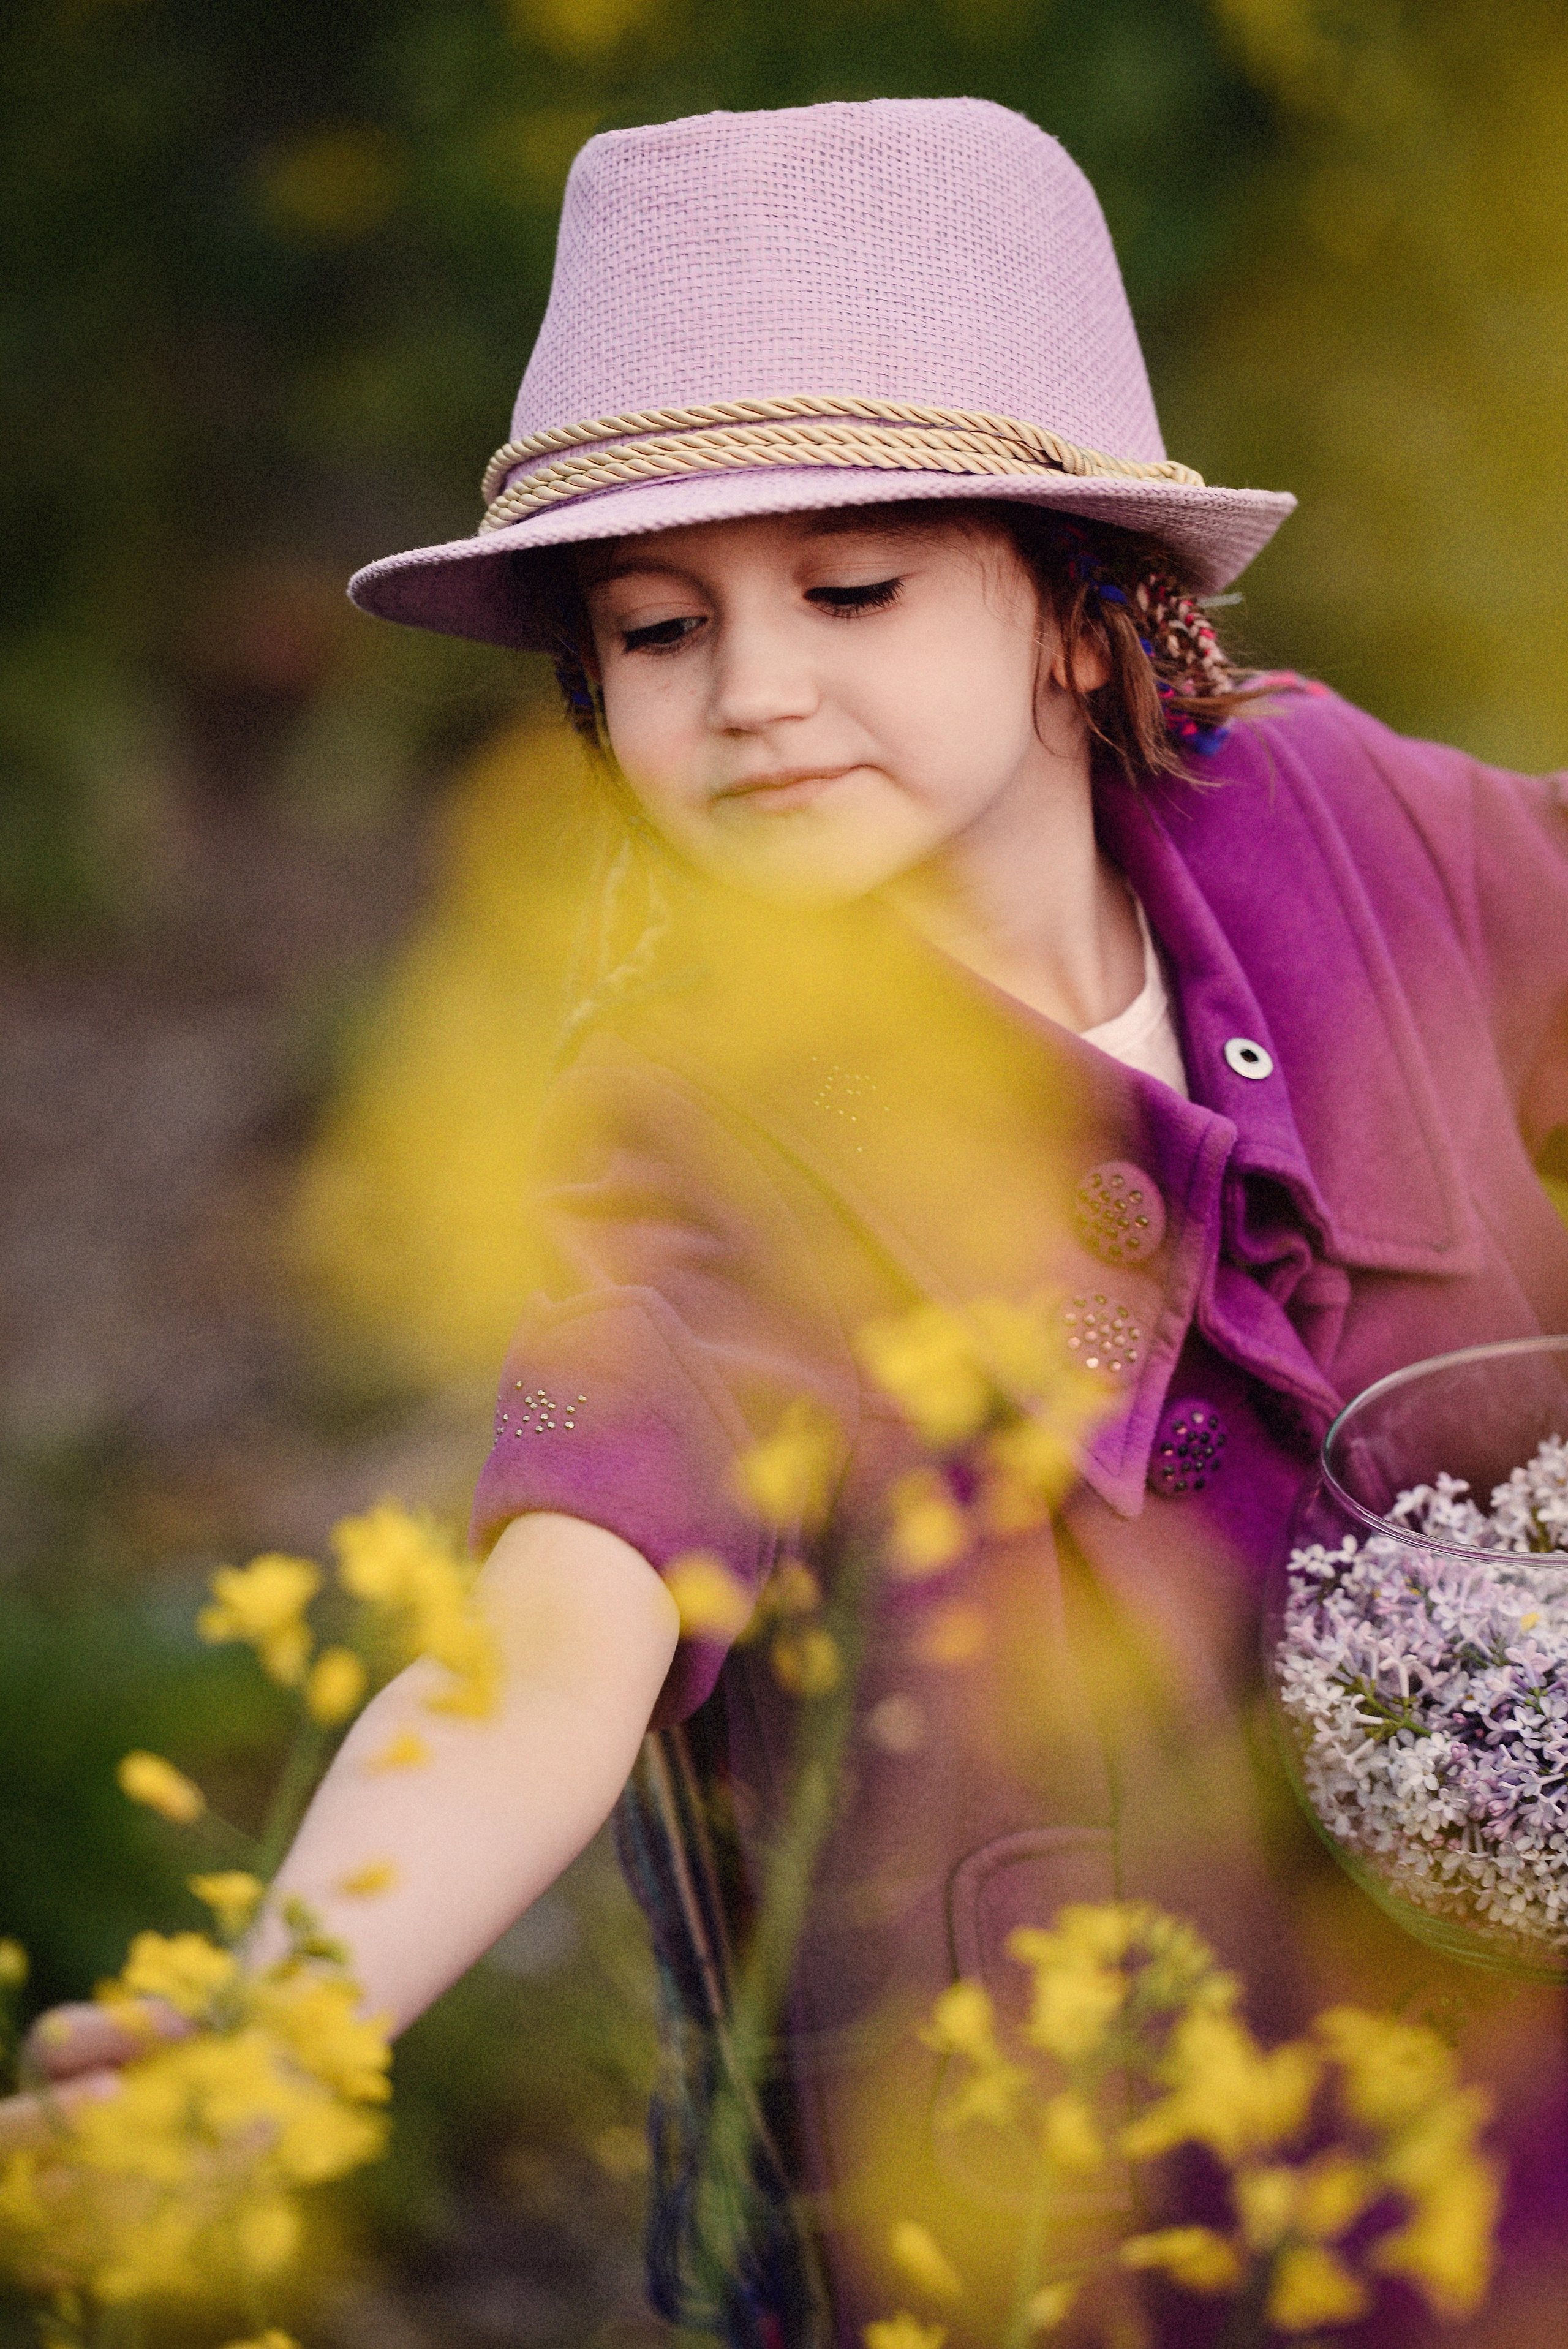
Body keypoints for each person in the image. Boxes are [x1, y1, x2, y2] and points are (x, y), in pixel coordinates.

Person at [17, 97, 1568, 2347]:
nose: (752, 691)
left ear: (1074, 612)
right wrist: (289, 2013)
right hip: (1067, 2221)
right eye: (657, 634)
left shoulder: (1345, 829)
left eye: (852, 591)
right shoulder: (700, 1126)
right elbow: (555, 1632)